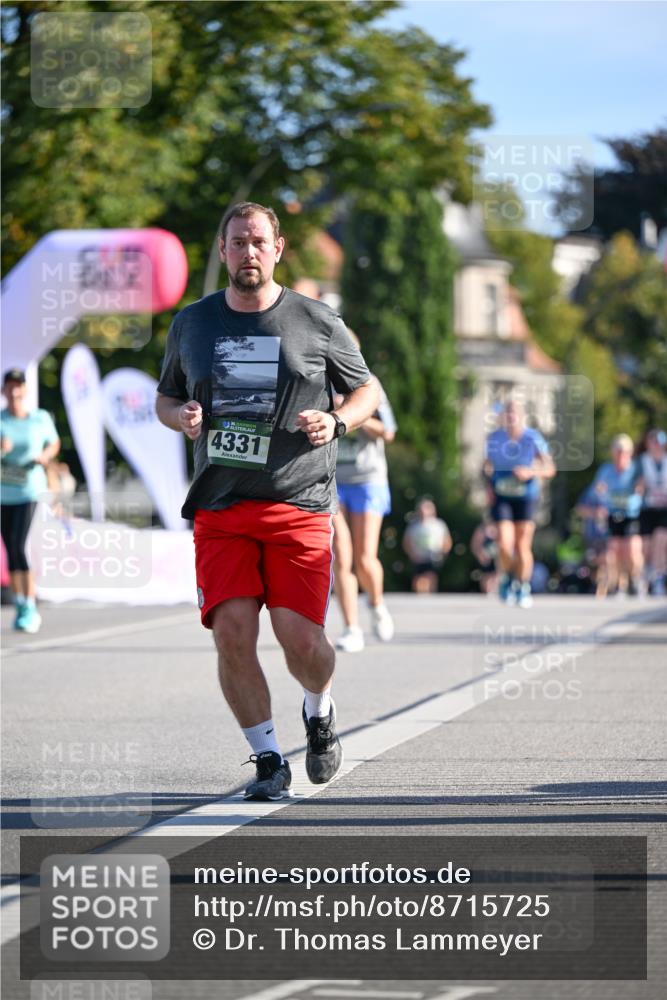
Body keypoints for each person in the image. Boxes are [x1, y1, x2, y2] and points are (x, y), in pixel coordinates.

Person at [155, 202, 379, 801]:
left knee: (300, 641)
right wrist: (184, 417)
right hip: (221, 506)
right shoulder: (192, 324)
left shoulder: (315, 320)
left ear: (278, 248)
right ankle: (267, 759)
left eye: (258, 241)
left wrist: (337, 421)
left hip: (298, 501)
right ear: (223, 250)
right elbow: (166, 398)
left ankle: (319, 707)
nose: (247, 252)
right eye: (236, 242)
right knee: (231, 633)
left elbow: (366, 389)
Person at [332, 332, 397, 653]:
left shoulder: (369, 383)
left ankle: (376, 603)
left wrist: (351, 415)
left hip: (368, 479)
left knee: (364, 558)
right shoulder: (321, 383)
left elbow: (388, 431)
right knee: (341, 556)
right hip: (333, 481)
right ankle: (351, 627)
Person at [0, 368, 61, 633]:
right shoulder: (1, 421)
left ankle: (30, 604)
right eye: (10, 387)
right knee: (10, 549)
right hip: (4, 491)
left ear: (24, 390)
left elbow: (54, 443)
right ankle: (21, 603)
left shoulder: (40, 418)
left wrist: (45, 456)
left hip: (29, 490)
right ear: (4, 391)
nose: (14, 391)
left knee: (19, 544)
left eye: (18, 386)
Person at [484, 399, 555, 608]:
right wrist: (488, 485)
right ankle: (506, 578)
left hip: (526, 496)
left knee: (522, 545)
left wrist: (531, 472)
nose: (511, 417)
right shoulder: (494, 439)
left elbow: (550, 469)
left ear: (522, 416)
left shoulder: (533, 438)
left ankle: (523, 586)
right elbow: (486, 466)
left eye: (515, 413)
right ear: (503, 417)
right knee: (504, 543)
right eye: (508, 413)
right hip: (502, 495)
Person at [589, 434, 644, 596]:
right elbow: (597, 489)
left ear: (630, 452)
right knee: (615, 549)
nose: (621, 455)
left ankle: (635, 578)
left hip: (631, 514)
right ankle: (620, 583)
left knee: (632, 549)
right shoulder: (606, 470)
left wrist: (638, 492)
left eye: (624, 451)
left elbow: (642, 488)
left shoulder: (635, 469)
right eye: (618, 451)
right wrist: (602, 497)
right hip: (612, 513)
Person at [638, 428, 667, 596]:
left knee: (660, 540)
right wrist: (638, 486)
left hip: (664, 509)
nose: (656, 446)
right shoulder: (641, 462)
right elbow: (633, 483)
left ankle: (658, 579)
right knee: (647, 547)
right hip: (647, 508)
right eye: (652, 442)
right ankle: (646, 575)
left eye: (659, 442)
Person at [402, 498, 452, 594]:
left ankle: (430, 601)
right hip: (418, 557)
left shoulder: (439, 524)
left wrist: (442, 554)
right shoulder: (413, 526)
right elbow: (406, 542)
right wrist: (412, 554)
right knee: (418, 580)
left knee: (431, 578)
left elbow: (447, 541)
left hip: (433, 557)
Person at [470, 517, 499, 594]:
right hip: (485, 555)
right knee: (486, 574)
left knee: (496, 573)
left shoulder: (499, 527)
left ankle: (494, 590)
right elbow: (476, 543)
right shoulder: (482, 528)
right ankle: (486, 591)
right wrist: (479, 554)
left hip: (496, 555)